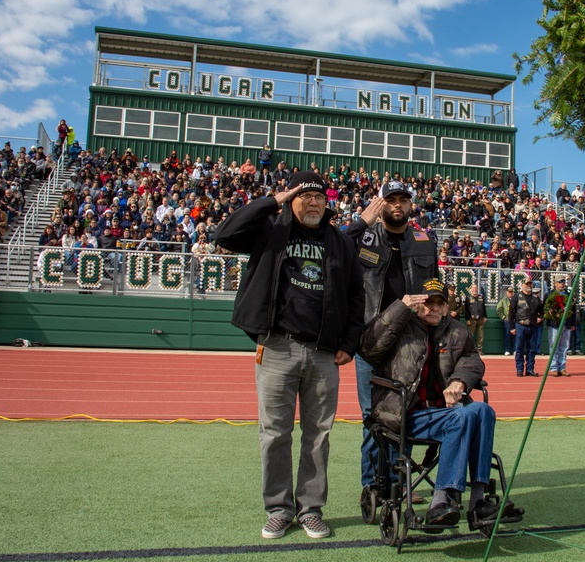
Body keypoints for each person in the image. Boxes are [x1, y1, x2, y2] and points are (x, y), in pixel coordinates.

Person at [213, 170, 365, 540]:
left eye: (320, 197)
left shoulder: (340, 242)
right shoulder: (271, 230)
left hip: (324, 352)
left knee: (318, 435)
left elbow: (356, 296)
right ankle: (279, 509)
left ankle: (310, 509)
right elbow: (225, 234)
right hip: (278, 346)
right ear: (292, 198)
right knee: (274, 434)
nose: (314, 202)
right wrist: (272, 201)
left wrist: (348, 344)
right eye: (305, 196)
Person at [359, 278, 508, 528]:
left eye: (440, 303)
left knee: (483, 409)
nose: (435, 309)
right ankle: (440, 500)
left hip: (444, 413)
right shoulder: (401, 326)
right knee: (460, 417)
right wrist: (399, 309)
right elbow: (368, 348)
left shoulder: (456, 330)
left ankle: (478, 501)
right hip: (405, 411)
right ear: (417, 305)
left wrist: (460, 381)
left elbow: (472, 359)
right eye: (429, 303)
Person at [344, 180, 438, 504]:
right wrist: (361, 223)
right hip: (371, 339)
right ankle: (372, 486)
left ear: (411, 205)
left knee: (404, 414)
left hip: (409, 341)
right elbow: (335, 249)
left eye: (403, 200)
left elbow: (435, 287)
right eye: (391, 199)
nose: (397, 205)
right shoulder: (364, 237)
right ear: (381, 204)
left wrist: (435, 305)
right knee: (373, 416)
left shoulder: (425, 240)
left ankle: (398, 486)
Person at [509, 278, 542, 377]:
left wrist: (540, 317)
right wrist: (512, 327)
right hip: (520, 325)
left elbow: (542, 310)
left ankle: (530, 369)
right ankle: (519, 369)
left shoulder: (535, 298)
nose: (529, 286)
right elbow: (511, 313)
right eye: (527, 284)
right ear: (522, 285)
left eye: (530, 284)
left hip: (532, 326)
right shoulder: (516, 297)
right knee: (519, 348)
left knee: (532, 349)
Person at [544, 276, 573, 376]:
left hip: (566, 323)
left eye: (564, 282)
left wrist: (573, 323)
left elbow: (572, 308)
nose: (562, 284)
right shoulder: (549, 294)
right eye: (560, 282)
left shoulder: (568, 294)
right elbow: (546, 308)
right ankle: (553, 368)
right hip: (554, 324)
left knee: (564, 347)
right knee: (554, 346)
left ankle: (562, 367)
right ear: (555, 283)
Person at [464, 283, 487, 350]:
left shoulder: (481, 297)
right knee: (470, 335)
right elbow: (466, 309)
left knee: (481, 335)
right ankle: (470, 349)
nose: (475, 290)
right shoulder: (468, 298)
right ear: (470, 289)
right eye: (473, 288)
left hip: (481, 318)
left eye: (476, 288)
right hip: (472, 319)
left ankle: (479, 349)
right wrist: (467, 319)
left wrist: (485, 316)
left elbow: (483, 307)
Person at [496, 285, 514, 356]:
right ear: (507, 292)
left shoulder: (516, 299)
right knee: (507, 335)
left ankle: (515, 349)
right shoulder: (503, 300)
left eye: (511, 292)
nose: (510, 294)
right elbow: (498, 309)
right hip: (507, 320)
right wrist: (503, 317)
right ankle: (506, 349)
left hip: (514, 320)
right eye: (509, 292)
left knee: (515, 336)